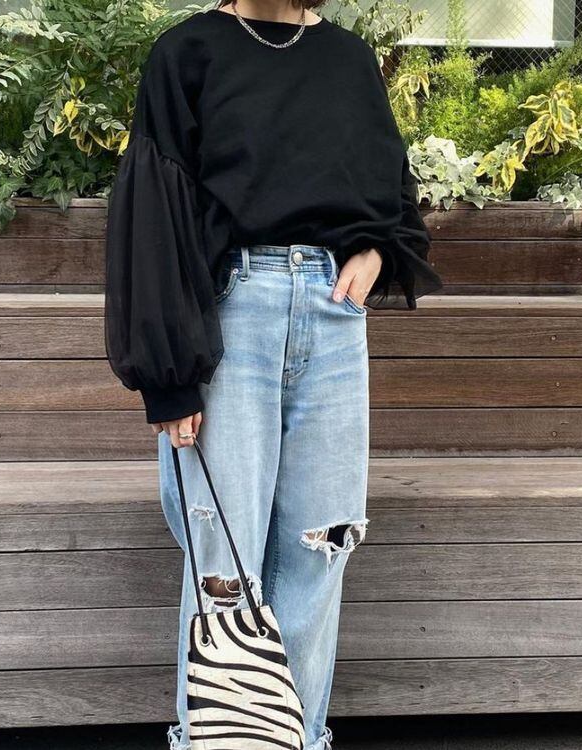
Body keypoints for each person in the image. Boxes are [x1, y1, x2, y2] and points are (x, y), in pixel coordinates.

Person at [104, 1, 442, 747]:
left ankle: (298, 738)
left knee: (321, 551)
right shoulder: (188, 52)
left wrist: (374, 253)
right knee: (223, 567)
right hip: (231, 317)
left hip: (333, 316)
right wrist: (169, 376)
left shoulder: (349, 60)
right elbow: (154, 214)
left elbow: (391, 190)